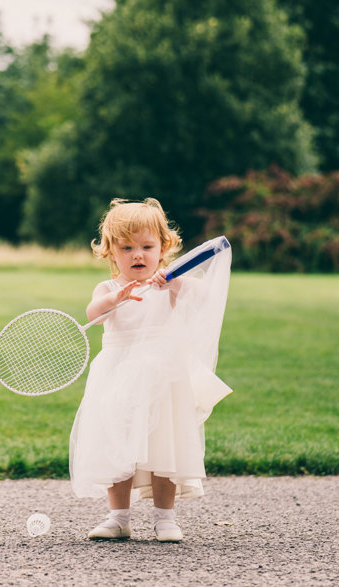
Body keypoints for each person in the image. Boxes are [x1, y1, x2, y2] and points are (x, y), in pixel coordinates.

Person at [69, 198, 232, 542]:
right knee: (117, 444)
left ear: (163, 248)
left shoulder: (169, 286)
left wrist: (173, 283)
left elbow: (202, 297)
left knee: (164, 446)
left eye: (147, 246)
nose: (137, 255)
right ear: (111, 253)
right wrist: (116, 299)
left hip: (163, 378)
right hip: (117, 377)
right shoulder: (110, 289)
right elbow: (92, 313)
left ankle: (165, 518)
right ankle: (118, 517)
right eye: (127, 247)